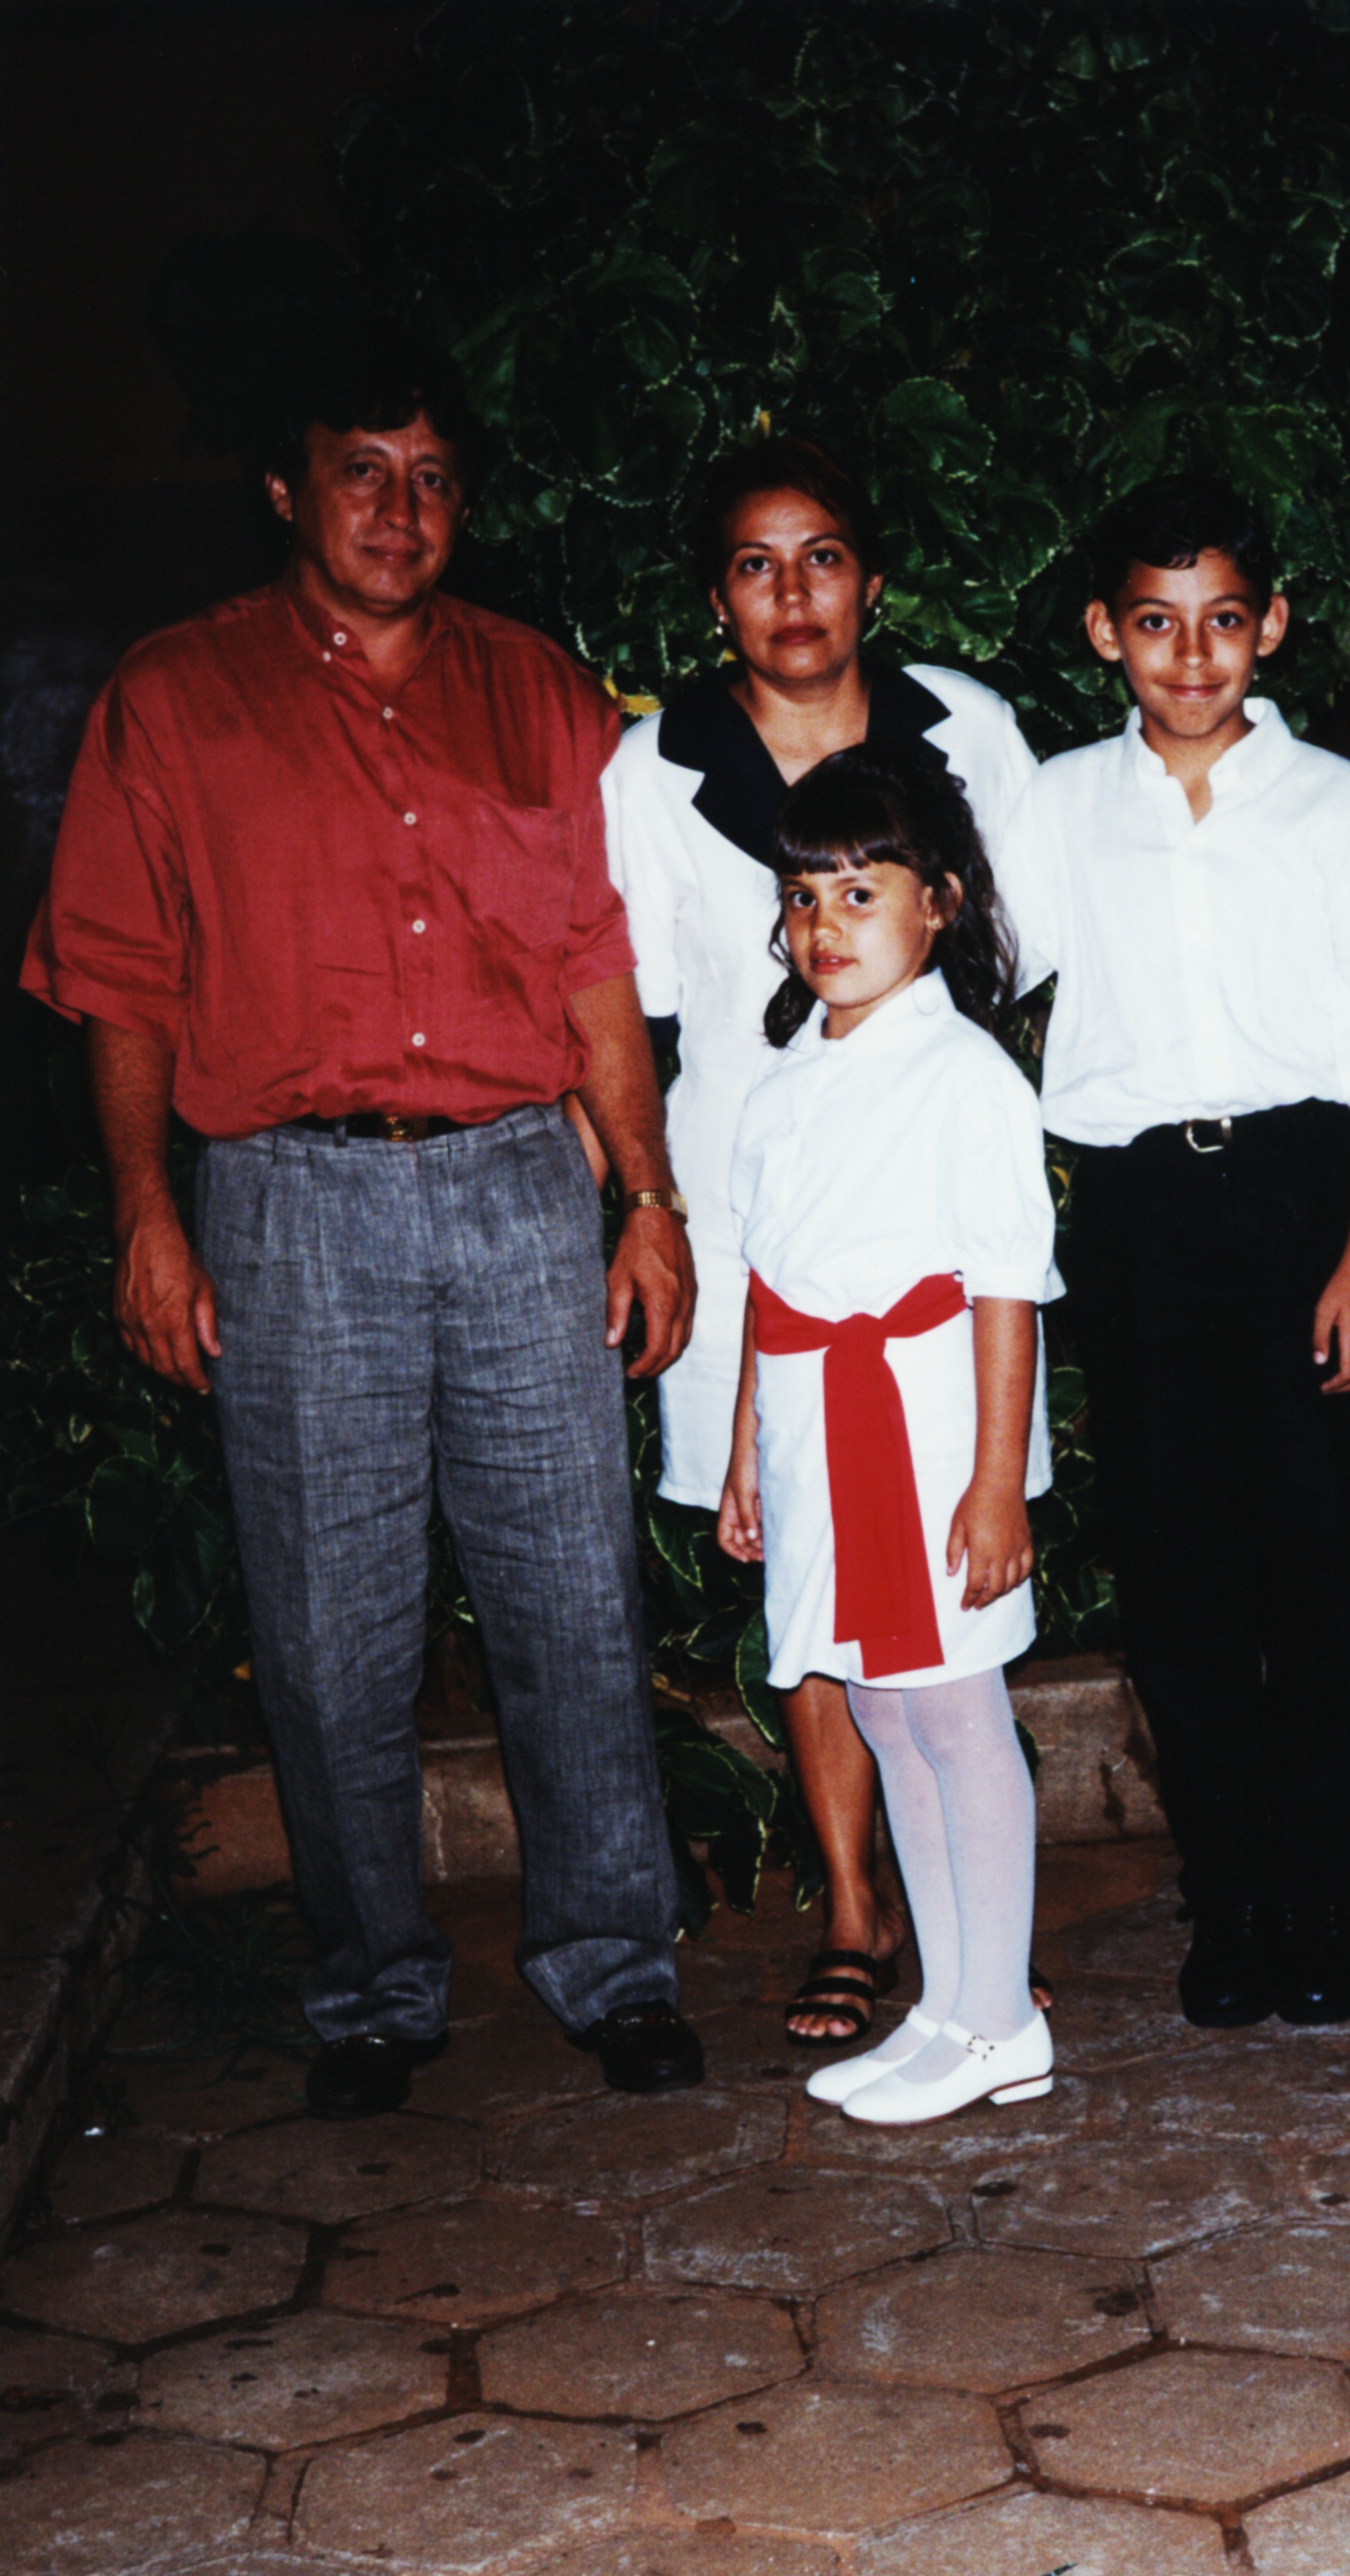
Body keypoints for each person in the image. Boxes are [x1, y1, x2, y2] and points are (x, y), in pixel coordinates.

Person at [21, 338, 704, 2117]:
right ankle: (374, 1990)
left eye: (428, 476)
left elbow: (596, 969)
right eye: (359, 471)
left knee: (570, 1586)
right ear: (285, 488)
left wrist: (646, 1198)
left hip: (514, 1182)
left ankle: (614, 1962)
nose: (398, 511)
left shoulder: (538, 691)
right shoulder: (177, 698)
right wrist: (148, 1221)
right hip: (291, 1200)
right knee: (329, 1627)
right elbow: (118, 980)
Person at [603, 437, 1042, 2045]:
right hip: (752, 1223)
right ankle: (859, 1910)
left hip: (925, 1226)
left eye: (825, 556)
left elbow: (1019, 944)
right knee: (805, 1571)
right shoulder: (655, 770)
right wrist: (649, 1211)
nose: (793, 593)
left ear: (872, 574)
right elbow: (628, 1017)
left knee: (944, 1577)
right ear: (715, 593)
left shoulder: (963, 730)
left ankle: (975, 1946)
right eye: (753, 563)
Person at [996, 474, 1350, 2031]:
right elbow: (984, 973)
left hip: (1306, 1192)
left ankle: (1317, 1890)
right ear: (1104, 633)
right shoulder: (1061, 805)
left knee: (1317, 1565)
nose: (1191, 657)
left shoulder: (1335, 808)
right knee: (1181, 1568)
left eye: (1224, 622)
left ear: (1274, 627)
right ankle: (1232, 1891)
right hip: (1139, 1214)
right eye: (1154, 624)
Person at [717, 743, 1058, 2124]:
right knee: (875, 1705)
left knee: (952, 1709)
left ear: (941, 905)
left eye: (863, 892)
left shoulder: (966, 1078)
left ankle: (1000, 2017)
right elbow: (769, 1280)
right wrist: (747, 1454)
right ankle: (948, 2006)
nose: (826, 927)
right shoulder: (789, 1080)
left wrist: (995, 1486)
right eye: (804, 898)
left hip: (923, 1433)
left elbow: (1005, 1287)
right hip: (814, 1436)